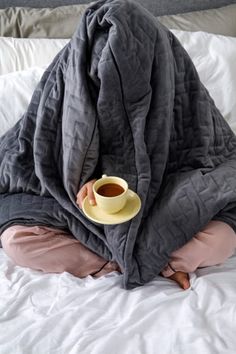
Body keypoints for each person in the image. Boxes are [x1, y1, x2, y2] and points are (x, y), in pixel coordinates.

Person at [1, 178, 236, 290]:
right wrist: (76, 176)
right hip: (74, 202)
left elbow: (202, 141)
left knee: (223, 239)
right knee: (16, 241)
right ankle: (147, 262)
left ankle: (143, 259)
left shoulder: (177, 80)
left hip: (164, 188)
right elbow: (34, 148)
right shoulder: (62, 83)